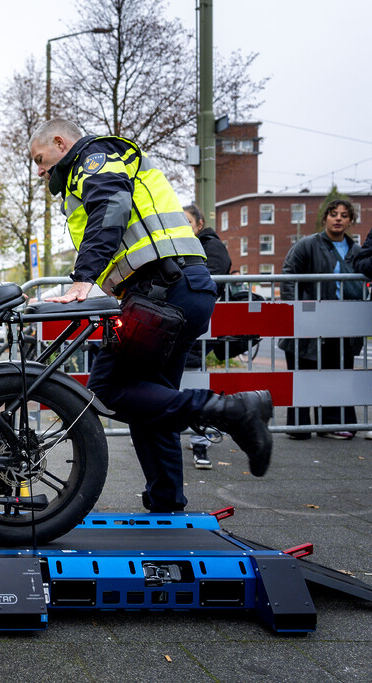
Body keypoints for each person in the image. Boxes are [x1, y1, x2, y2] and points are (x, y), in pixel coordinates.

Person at [29, 118, 272, 514]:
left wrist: (83, 280)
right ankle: (167, 503)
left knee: (108, 387)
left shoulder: (94, 158)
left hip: (161, 293)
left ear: (60, 142)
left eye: (40, 159)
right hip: (179, 289)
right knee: (152, 402)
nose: (40, 171)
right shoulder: (108, 163)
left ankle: (234, 411)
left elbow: (111, 206)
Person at [278, 199, 364, 440]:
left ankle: (333, 425)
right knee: (304, 371)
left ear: (350, 221)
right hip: (311, 319)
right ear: (325, 217)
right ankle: (299, 428)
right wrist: (297, 312)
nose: (338, 218)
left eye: (344, 215)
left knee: (335, 374)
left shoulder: (357, 252)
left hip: (343, 322)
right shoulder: (307, 245)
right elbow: (288, 276)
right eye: (333, 214)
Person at [182, 203, 232, 469]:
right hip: (184, 322)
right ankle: (193, 434)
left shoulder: (211, 246)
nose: (183, 228)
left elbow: (212, 277)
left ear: (199, 225)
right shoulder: (179, 245)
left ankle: (201, 441)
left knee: (194, 378)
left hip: (197, 325)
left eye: (187, 222)